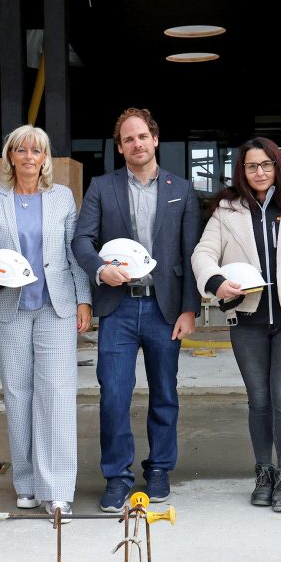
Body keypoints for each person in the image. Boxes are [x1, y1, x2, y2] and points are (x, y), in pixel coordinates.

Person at [192, 137, 281, 512]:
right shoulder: (227, 209)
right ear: (242, 170)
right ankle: (263, 472)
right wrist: (216, 283)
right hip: (248, 321)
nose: (259, 172)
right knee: (258, 400)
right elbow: (203, 254)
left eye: (266, 165)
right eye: (251, 166)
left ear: (278, 167)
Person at [71, 107, 200, 512]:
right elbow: (81, 241)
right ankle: (117, 476)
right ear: (120, 146)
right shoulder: (101, 187)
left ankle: (160, 467)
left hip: (165, 309)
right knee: (114, 396)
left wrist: (189, 309)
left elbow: (192, 252)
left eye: (142, 136)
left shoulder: (181, 188)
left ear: (155, 139)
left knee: (164, 393)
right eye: (128, 139)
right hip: (118, 309)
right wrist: (99, 270)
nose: (136, 144)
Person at [0, 125, 92, 519]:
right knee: (18, 395)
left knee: (56, 395)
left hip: (56, 306)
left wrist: (84, 299)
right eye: (21, 150)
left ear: (45, 158)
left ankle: (57, 490)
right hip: (9, 309)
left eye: (36, 151)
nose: (29, 157)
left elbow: (73, 253)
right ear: (11, 157)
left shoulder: (61, 198)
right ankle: (26, 484)